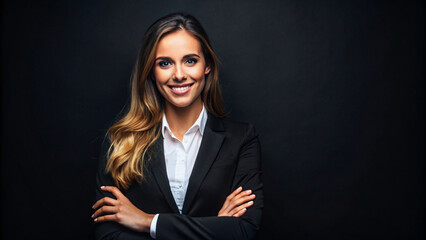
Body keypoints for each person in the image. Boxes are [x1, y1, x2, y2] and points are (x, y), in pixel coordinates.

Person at [92, 13, 263, 240]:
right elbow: (107, 236)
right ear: (151, 72)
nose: (179, 75)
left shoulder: (241, 139)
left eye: (190, 60)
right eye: (165, 63)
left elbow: (243, 231)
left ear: (207, 65)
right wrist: (216, 228)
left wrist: (147, 221)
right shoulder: (119, 141)